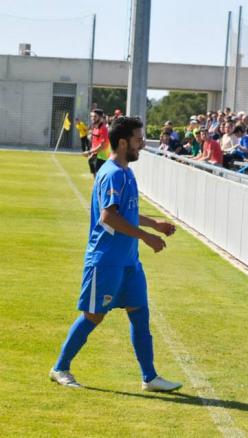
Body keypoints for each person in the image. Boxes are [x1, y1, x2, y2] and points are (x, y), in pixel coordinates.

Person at [49, 116, 182, 392]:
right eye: (138, 139)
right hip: (106, 261)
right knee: (93, 316)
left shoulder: (126, 172)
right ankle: (60, 367)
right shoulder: (112, 173)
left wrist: (153, 223)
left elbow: (127, 212)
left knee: (140, 314)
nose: (142, 144)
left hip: (128, 262)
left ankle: (150, 377)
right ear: (122, 143)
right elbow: (109, 216)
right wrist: (147, 237)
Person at [86, 109, 111, 176]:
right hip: (96, 155)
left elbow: (103, 146)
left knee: (99, 177)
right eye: (91, 116)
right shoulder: (95, 127)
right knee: (95, 175)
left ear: (100, 117)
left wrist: (90, 152)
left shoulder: (103, 128)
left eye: (95, 116)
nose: (92, 118)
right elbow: (95, 142)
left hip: (102, 157)